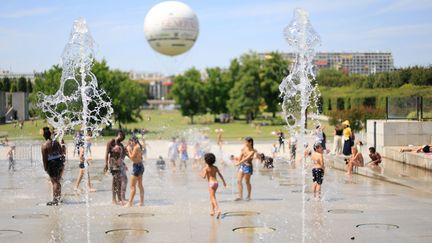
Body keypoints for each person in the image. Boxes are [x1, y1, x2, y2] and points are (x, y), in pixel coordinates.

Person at [41, 127, 66, 206]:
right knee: (58, 181)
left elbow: (44, 159)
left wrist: (45, 168)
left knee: (54, 182)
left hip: (52, 163)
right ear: (50, 134)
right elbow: (61, 152)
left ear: (44, 135)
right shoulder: (56, 142)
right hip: (60, 161)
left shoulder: (44, 146)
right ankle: (58, 198)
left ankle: (55, 200)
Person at [104, 130, 127, 205]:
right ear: (118, 134)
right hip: (113, 163)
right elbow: (107, 153)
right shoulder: (111, 142)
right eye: (121, 136)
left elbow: (123, 156)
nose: (121, 139)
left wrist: (123, 163)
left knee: (119, 181)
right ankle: (114, 199)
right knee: (114, 180)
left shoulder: (121, 145)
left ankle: (119, 198)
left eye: (122, 138)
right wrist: (106, 164)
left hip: (119, 164)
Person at [200, 153, 227, 218]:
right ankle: (212, 211)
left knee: (212, 197)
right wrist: (224, 182)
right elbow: (220, 175)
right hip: (216, 183)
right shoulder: (215, 167)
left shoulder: (206, 168)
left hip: (211, 183)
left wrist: (200, 174)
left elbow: (203, 176)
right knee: (212, 196)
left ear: (206, 161)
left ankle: (218, 209)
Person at [124, 136, 145, 207]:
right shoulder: (139, 146)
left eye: (131, 142)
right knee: (140, 185)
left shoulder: (136, 147)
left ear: (134, 141)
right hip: (141, 166)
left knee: (132, 186)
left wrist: (129, 150)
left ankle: (130, 203)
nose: (130, 144)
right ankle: (141, 202)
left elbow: (132, 158)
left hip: (137, 167)